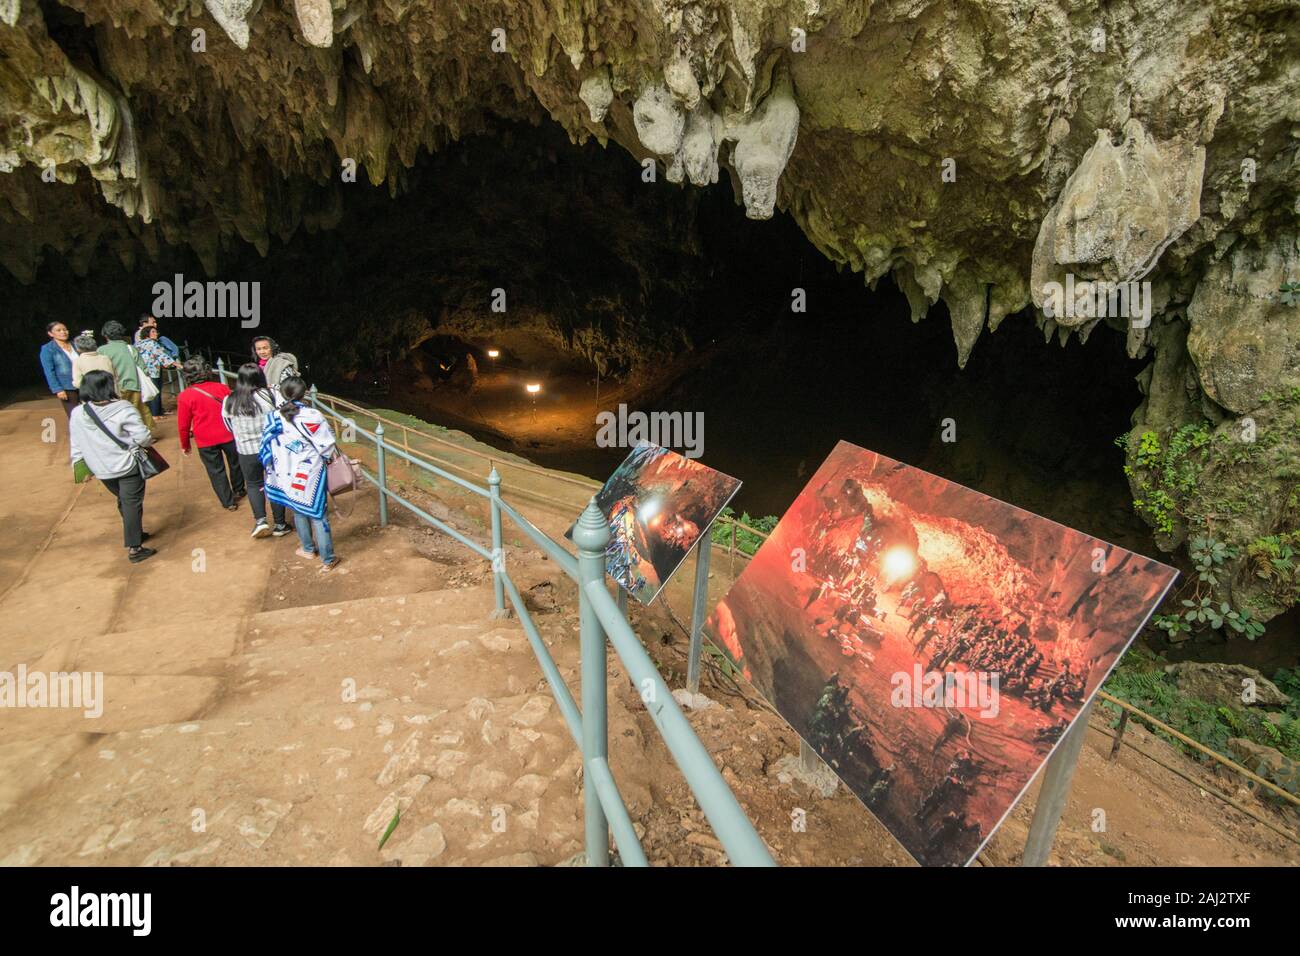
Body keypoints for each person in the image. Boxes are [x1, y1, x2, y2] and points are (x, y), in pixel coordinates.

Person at [68, 370, 157, 563]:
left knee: (123, 499)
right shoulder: (123, 408)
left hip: (100, 467)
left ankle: (135, 532)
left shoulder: (78, 413)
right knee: (131, 503)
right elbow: (143, 437)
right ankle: (135, 548)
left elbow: (75, 441)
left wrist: (78, 464)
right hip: (126, 464)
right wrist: (137, 443)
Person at [260, 375, 340, 571]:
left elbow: (266, 446)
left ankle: (307, 548)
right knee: (318, 514)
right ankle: (328, 559)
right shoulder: (312, 416)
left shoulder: (273, 418)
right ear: (304, 393)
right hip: (310, 471)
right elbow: (327, 446)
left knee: (297, 507)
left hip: (285, 472)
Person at [223, 363, 291, 538]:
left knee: (254, 485)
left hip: (246, 451)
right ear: (261, 377)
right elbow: (284, 414)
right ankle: (280, 524)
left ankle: (260, 521)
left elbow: (228, 426)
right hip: (272, 448)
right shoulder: (270, 394)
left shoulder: (229, 400)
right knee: (275, 482)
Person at [176, 357, 246, 510]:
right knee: (235, 463)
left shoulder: (185, 396)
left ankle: (228, 501)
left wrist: (185, 444)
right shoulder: (222, 388)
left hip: (205, 439)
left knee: (216, 470)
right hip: (228, 433)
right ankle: (239, 489)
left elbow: (183, 425)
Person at [98, 320, 155, 431]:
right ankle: (145, 433)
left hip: (113, 388)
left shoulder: (101, 350)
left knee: (118, 413)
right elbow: (144, 369)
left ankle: (123, 433)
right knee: (139, 409)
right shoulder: (130, 348)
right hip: (134, 385)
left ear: (105, 335)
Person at [136, 326, 182, 420]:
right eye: (153, 332)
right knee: (156, 392)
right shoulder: (152, 343)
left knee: (148, 391)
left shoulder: (138, 345)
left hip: (143, 372)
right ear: (147, 334)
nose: (156, 333)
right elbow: (162, 355)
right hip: (153, 371)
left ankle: (152, 413)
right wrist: (176, 364)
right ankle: (155, 414)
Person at [39, 321, 79, 418]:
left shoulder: (76, 345)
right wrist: (58, 389)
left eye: (65, 329)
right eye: (59, 330)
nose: (63, 332)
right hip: (67, 386)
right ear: (50, 334)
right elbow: (49, 371)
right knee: (74, 416)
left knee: (90, 414)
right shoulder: (48, 349)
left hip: (84, 384)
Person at [252, 336, 299, 401]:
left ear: (273, 348)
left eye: (265, 348)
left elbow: (289, 387)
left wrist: (271, 386)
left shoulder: (282, 364)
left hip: (282, 403)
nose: (262, 352)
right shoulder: (259, 366)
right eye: (259, 349)